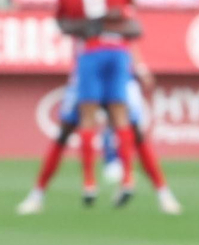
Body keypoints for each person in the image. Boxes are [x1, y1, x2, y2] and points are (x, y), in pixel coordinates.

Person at [18, 58, 180, 215]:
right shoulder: (87, 35)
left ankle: (160, 193)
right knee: (65, 132)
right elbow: (68, 30)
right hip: (87, 71)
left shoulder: (120, 36)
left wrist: (140, 67)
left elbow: (132, 34)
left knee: (135, 133)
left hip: (117, 73)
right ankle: (38, 195)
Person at [46, 0, 141, 206]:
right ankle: (128, 179)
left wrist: (86, 26)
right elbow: (130, 12)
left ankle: (89, 184)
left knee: (87, 117)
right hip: (119, 51)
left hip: (91, 52)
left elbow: (62, 24)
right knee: (120, 115)